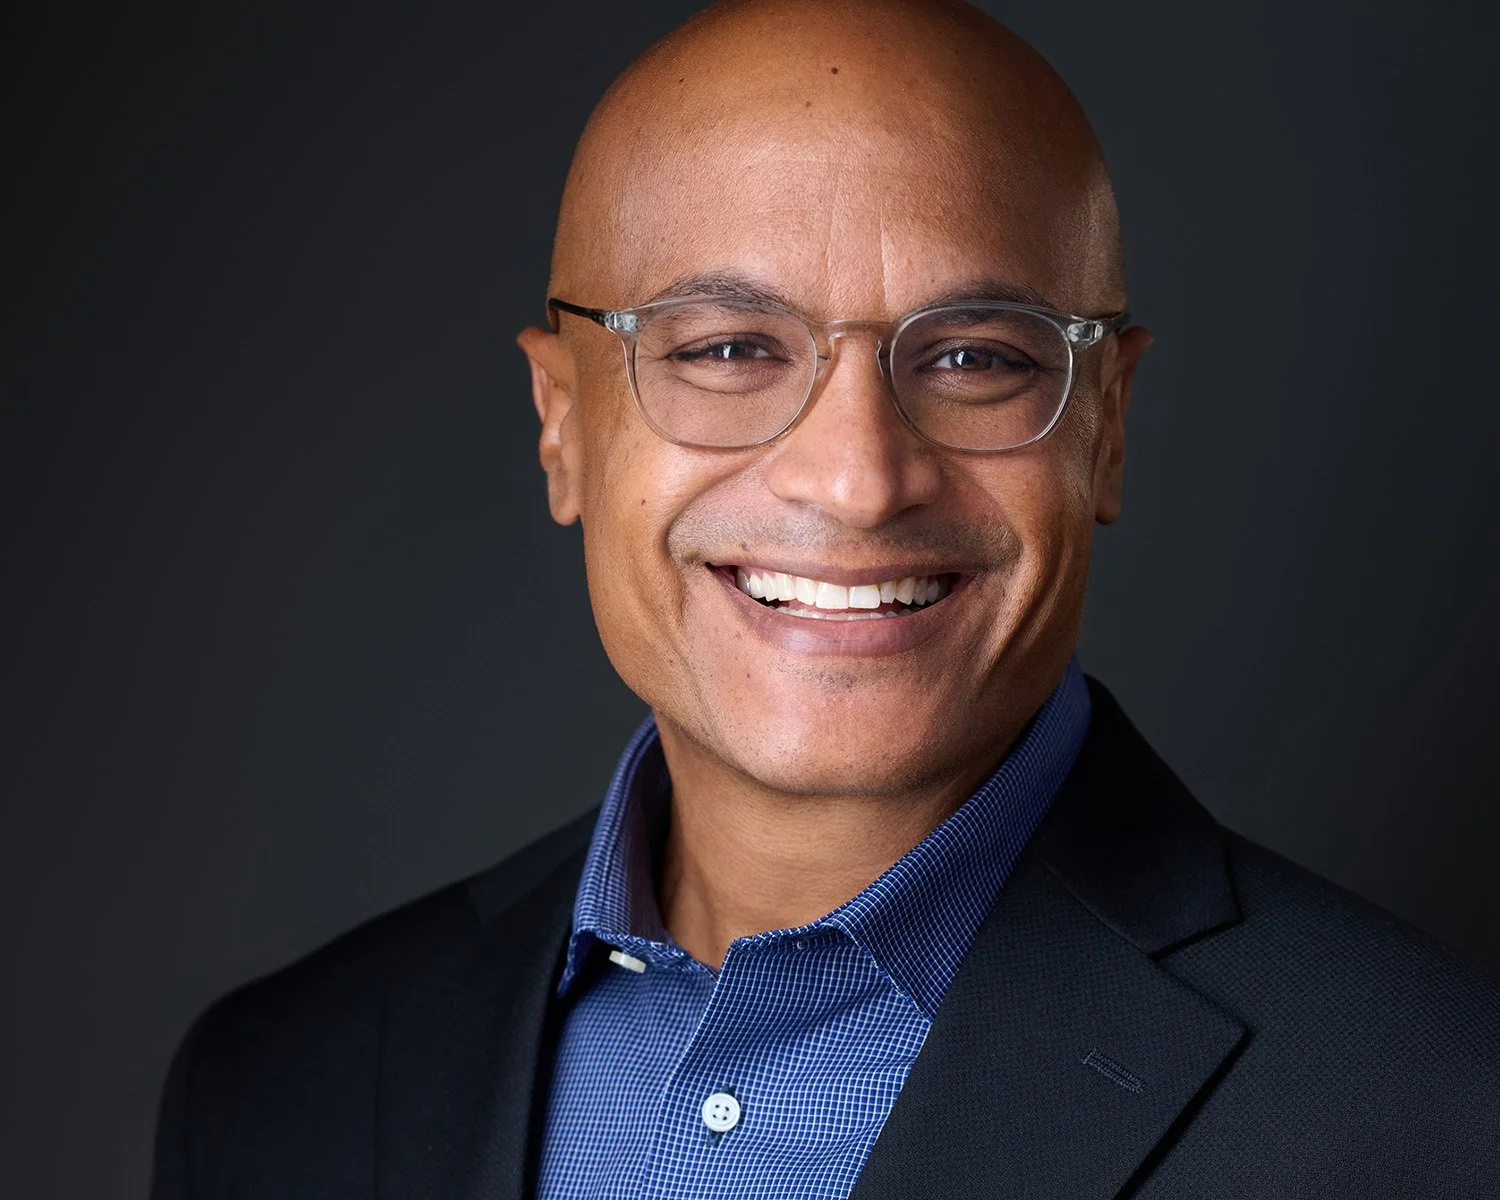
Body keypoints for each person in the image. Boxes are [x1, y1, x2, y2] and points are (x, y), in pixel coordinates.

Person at [150, 1, 1500, 1196]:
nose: (858, 480)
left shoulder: (1439, 1116)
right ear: (560, 425)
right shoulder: (284, 1085)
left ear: (1107, 428)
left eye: (974, 356)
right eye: (731, 348)